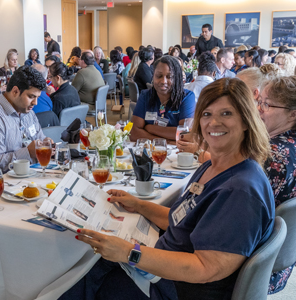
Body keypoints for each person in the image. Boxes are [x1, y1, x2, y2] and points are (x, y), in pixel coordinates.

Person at [63, 78, 274, 300]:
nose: (214, 123)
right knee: (87, 267)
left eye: (226, 114)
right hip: (166, 268)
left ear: (246, 121)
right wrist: (139, 205)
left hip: (178, 288)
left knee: (79, 280)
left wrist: (128, 253)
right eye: (207, 114)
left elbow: (204, 268)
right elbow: (182, 220)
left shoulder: (240, 190)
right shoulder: (214, 167)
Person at [0, 65, 50, 174]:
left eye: (37, 97)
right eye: (31, 97)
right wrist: (27, 153)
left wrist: (46, 144)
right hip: (0, 185)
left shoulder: (28, 113)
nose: (35, 103)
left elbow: (40, 139)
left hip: (29, 176)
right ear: (15, 91)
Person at [260, 76, 296, 294]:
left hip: (256, 261)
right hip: (281, 259)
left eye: (268, 104)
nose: (260, 109)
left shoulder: (273, 156)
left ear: (293, 114)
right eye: (261, 101)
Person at [131, 56, 195, 141]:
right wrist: (164, 142)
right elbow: (134, 133)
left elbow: (185, 134)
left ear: (177, 78)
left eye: (169, 77)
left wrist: (150, 128)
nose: (163, 81)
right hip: (150, 151)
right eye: (159, 76)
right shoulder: (145, 96)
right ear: (153, 76)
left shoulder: (187, 97)